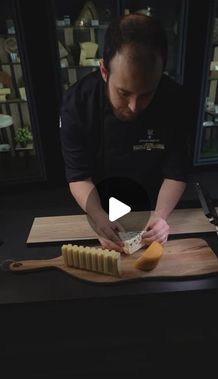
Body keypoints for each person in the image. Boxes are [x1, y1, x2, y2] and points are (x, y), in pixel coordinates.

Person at [60, 13, 190, 251]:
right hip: (98, 198)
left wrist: (160, 217)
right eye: (123, 92)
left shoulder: (176, 101)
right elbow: (78, 175)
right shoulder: (77, 103)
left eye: (146, 94)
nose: (134, 107)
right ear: (104, 71)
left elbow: (176, 171)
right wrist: (98, 216)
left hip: (154, 198)